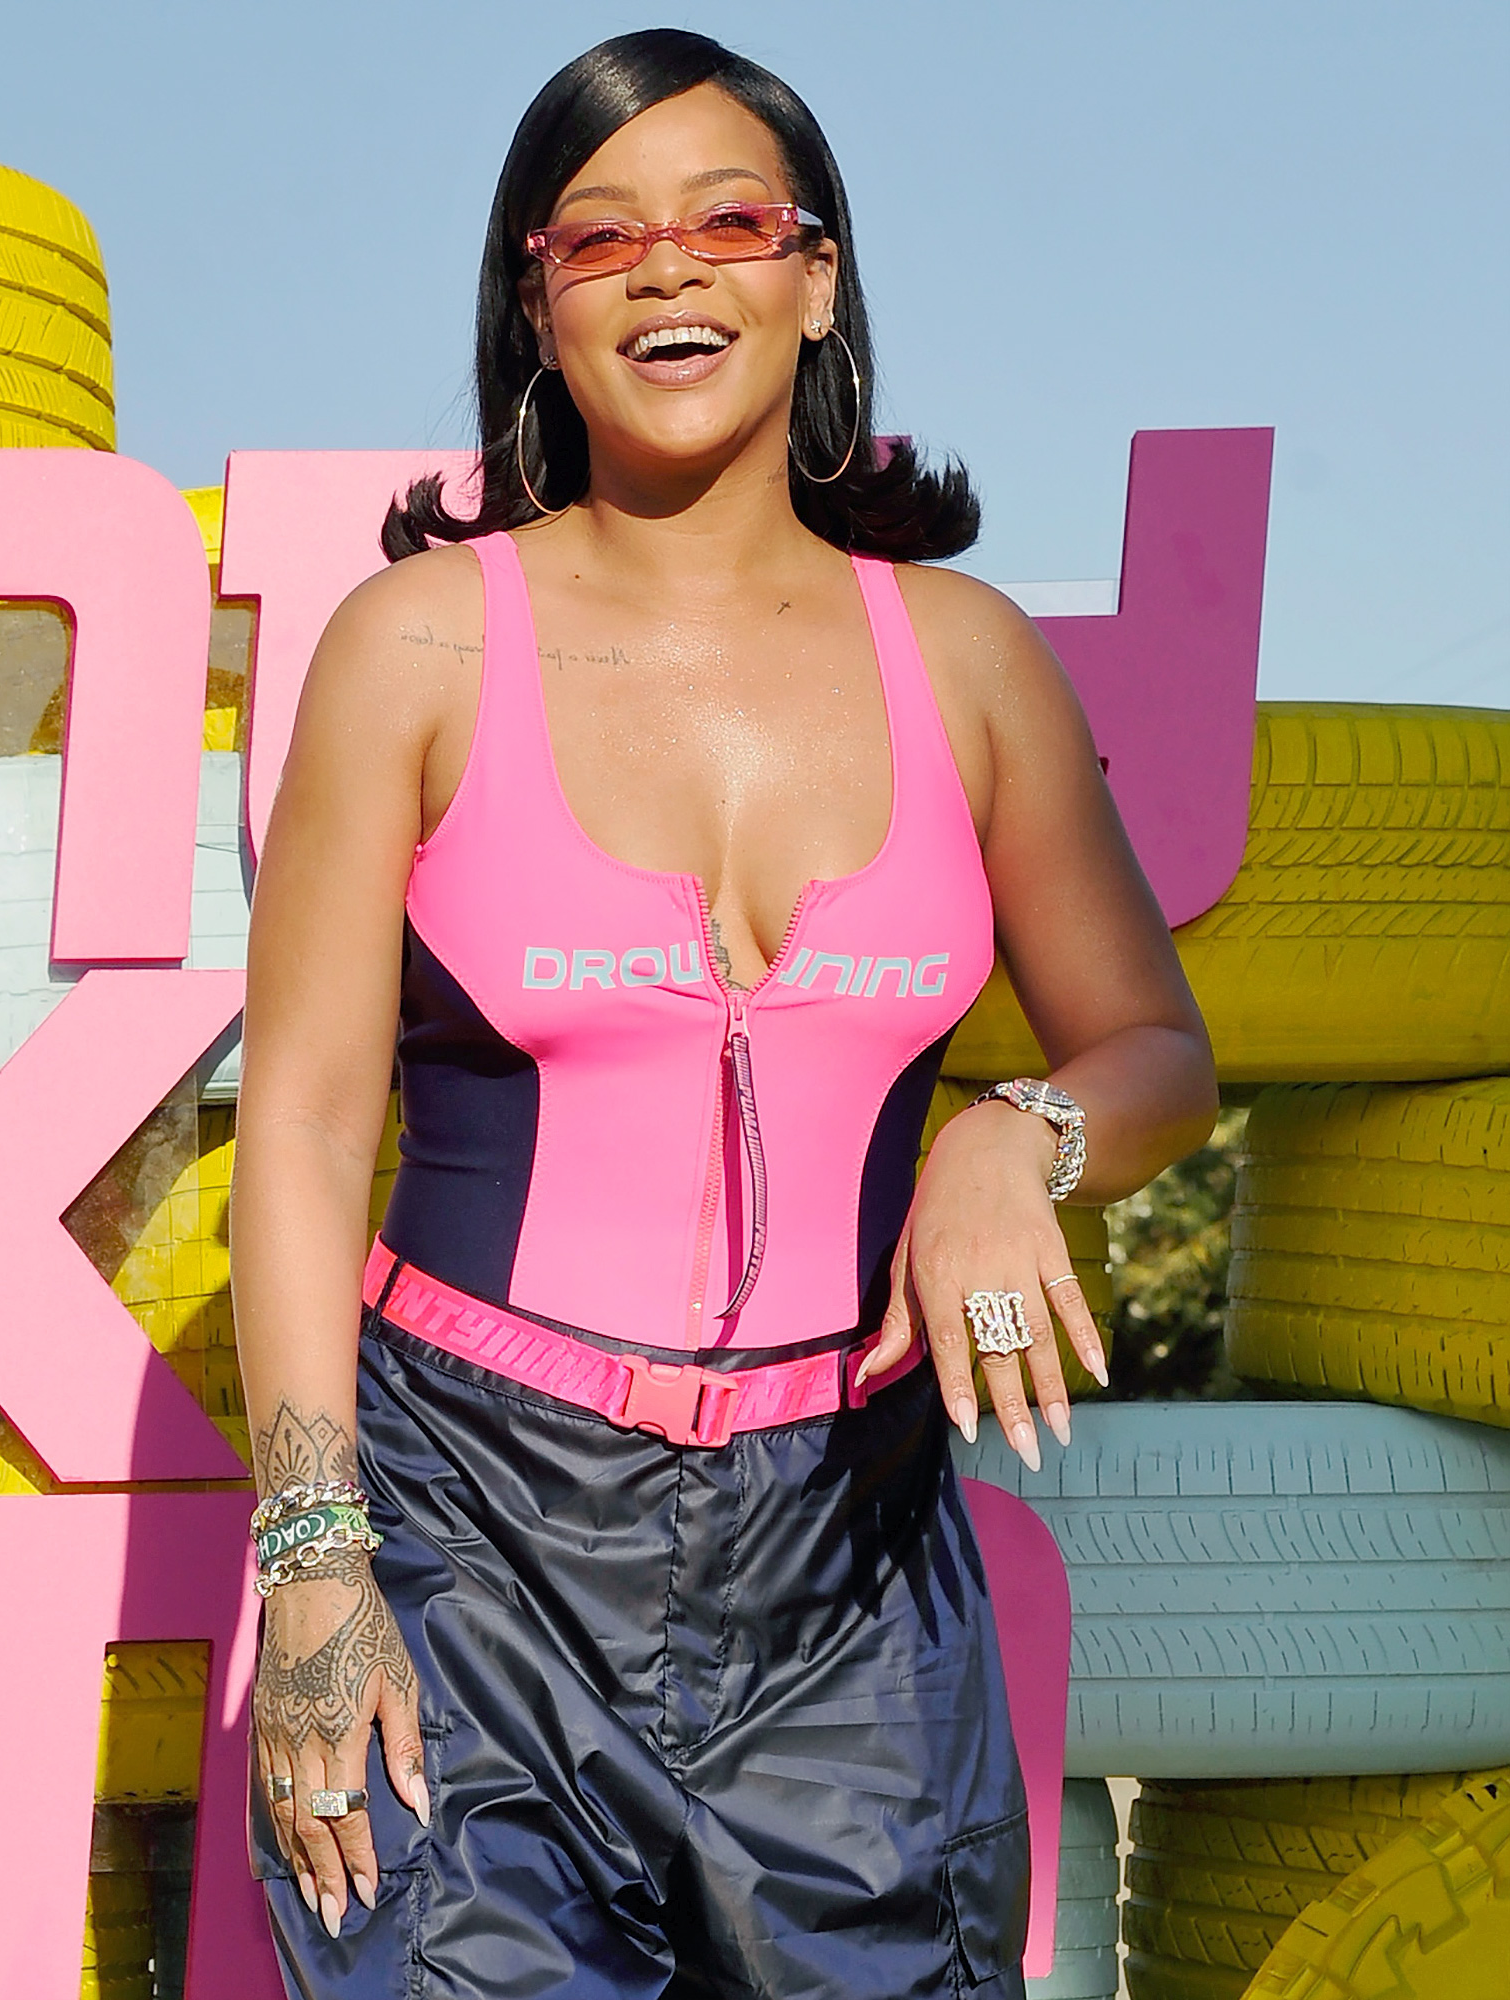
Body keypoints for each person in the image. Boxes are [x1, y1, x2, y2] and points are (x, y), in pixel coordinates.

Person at [230, 27, 1217, 1998]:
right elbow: (311, 1127)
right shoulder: (414, 646)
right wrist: (317, 1558)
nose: (666, 268)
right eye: (599, 238)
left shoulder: (971, 661)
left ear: (815, 276)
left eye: (728, 222)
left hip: (850, 1562)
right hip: (465, 1535)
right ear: (536, 303)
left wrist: (1010, 1135)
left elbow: (1155, 1053)